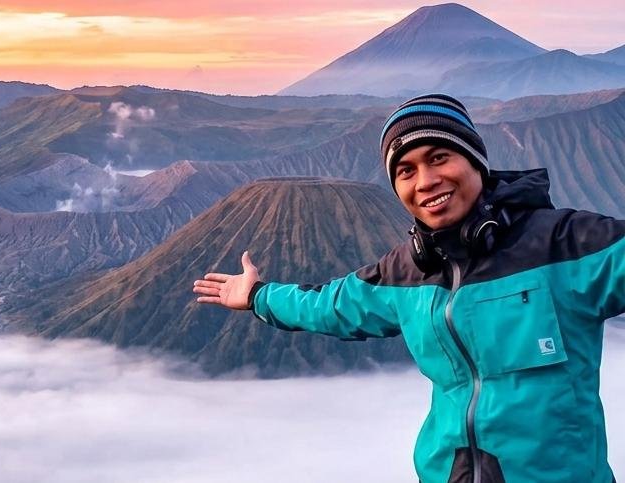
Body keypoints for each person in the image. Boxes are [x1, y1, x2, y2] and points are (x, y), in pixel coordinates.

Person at [193, 94, 624, 483]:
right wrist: (258, 296)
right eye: (406, 170)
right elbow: (331, 305)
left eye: (439, 157)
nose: (426, 180)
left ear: (476, 161)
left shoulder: (564, 246)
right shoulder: (408, 271)